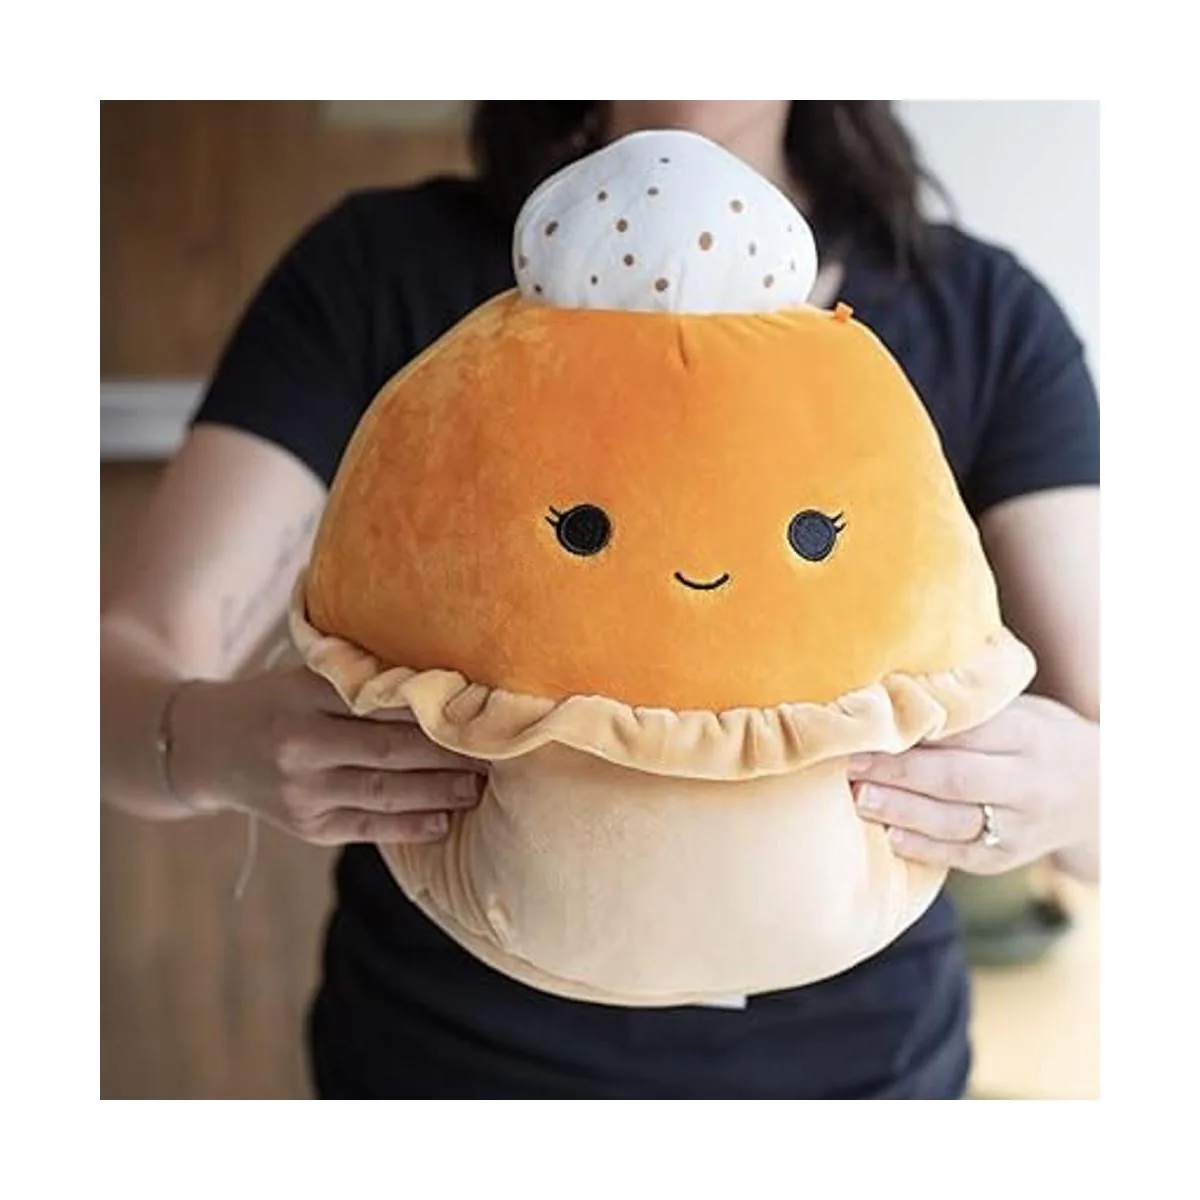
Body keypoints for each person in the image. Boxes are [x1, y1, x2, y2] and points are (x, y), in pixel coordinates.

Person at [100, 101, 1100, 1099]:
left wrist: (1079, 788)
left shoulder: (982, 317)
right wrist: (206, 740)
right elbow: (122, 668)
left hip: (862, 1082)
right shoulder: (383, 270)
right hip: (447, 1073)